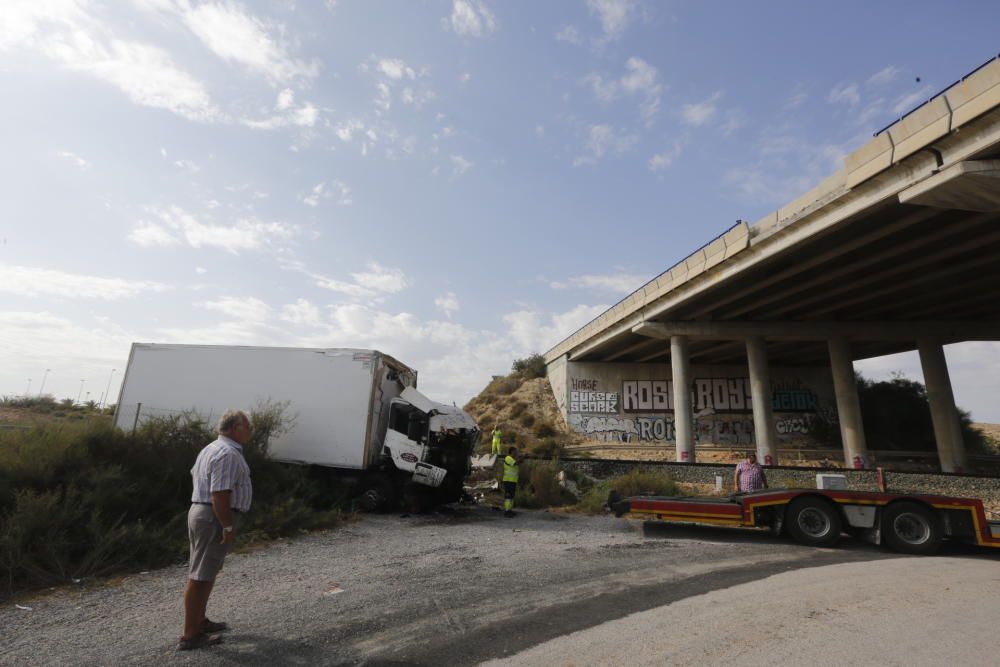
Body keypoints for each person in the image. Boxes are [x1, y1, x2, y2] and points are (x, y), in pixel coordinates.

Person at [178, 409, 253, 651]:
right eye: (246, 426)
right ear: (234, 429)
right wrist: (227, 524)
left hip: (204, 513)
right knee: (199, 576)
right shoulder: (227, 453)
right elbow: (219, 494)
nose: (249, 431)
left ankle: (199, 622)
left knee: (206, 572)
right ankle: (191, 635)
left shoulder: (211, 448)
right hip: (213, 516)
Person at [502, 446, 521, 518]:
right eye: (515, 451)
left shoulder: (513, 459)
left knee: (512, 497)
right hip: (508, 480)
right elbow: (516, 463)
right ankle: (506, 511)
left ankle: (510, 510)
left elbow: (519, 462)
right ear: (512, 451)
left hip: (513, 480)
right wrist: (522, 457)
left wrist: (522, 457)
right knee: (508, 496)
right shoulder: (508, 458)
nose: (516, 453)